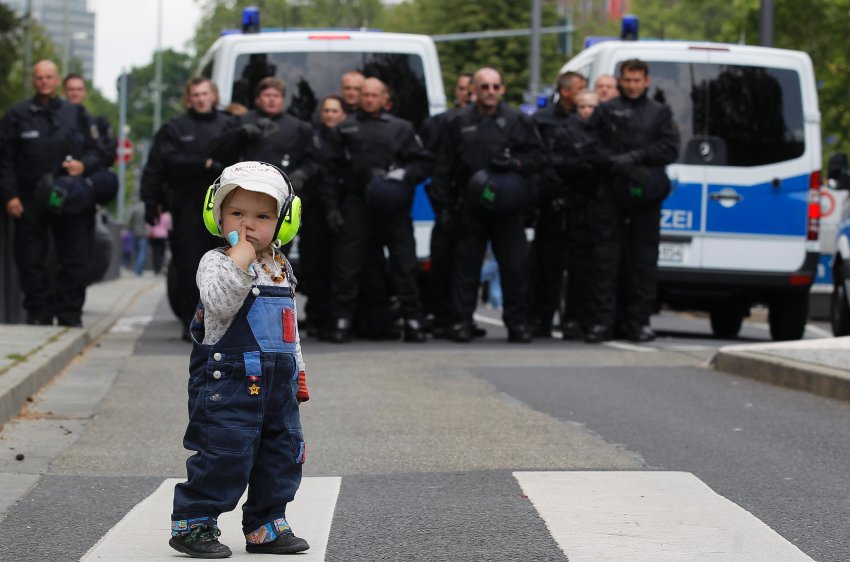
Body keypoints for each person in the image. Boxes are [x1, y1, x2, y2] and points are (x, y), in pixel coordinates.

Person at [170, 161, 310, 558]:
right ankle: (194, 521)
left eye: (262, 217)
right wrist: (241, 258)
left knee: (281, 454)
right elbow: (220, 303)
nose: (248, 225)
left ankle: (266, 522)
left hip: (277, 385)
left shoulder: (280, 266)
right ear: (217, 216)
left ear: (283, 223)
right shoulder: (216, 262)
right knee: (224, 454)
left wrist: (298, 370)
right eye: (237, 213)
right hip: (228, 385)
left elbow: (289, 325)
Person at [431, 67, 545, 343]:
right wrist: (444, 206)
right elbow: (443, 166)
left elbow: (538, 159)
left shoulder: (518, 120)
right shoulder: (457, 122)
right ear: (474, 90)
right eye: (484, 87)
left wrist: (516, 164)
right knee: (466, 267)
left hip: (508, 206)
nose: (490, 92)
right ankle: (462, 322)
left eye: (495, 86)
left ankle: (517, 323)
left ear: (502, 89)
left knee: (515, 266)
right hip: (470, 206)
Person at [320, 77, 431, 343]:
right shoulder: (344, 128)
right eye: (365, 94)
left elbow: (422, 163)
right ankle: (342, 321)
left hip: (393, 207)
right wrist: (331, 208)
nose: (369, 99)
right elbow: (329, 172)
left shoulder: (402, 128)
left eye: (375, 95)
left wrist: (402, 176)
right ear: (359, 97)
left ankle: (413, 319)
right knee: (347, 266)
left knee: (404, 264)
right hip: (357, 205)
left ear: (385, 99)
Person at [0, 60, 102, 326]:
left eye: (49, 77)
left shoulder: (75, 113)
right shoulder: (17, 115)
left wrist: (83, 166)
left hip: (68, 198)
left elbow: (97, 152)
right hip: (29, 199)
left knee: (74, 258)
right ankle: (38, 314)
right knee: (30, 259)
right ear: (33, 81)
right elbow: (5, 159)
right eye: (39, 77)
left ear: (57, 80)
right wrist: (10, 195)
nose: (44, 81)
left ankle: (69, 314)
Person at [585, 59, 679, 343]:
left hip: (644, 195)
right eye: (627, 80)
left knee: (642, 262)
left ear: (646, 82)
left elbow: (669, 148)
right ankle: (603, 322)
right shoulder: (606, 111)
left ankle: (638, 322)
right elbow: (590, 145)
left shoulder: (659, 112)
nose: (632, 85)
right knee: (605, 261)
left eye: (637, 80)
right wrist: (614, 163)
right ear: (620, 81)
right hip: (611, 192)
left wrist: (637, 159)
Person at [141, 77, 231, 340]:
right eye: (196, 94)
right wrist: (150, 201)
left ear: (214, 96)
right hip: (186, 207)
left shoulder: (229, 125)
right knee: (189, 264)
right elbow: (159, 165)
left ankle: (224, 320)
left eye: (205, 93)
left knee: (226, 263)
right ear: (189, 98)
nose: (201, 99)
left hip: (224, 207)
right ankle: (192, 320)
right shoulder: (174, 128)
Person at [528, 71, 587, 338]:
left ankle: (573, 319)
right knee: (546, 265)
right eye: (579, 88)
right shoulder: (542, 120)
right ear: (565, 92)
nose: (584, 93)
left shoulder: (588, 119)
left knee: (578, 267)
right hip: (549, 202)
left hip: (579, 202)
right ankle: (540, 318)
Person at [419, 73, 477, 339]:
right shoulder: (438, 123)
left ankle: (462, 317)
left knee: (466, 265)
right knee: (442, 261)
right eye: (463, 89)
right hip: (445, 200)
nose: (467, 94)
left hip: (471, 203)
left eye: (471, 89)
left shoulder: (483, 124)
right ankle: (439, 314)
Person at [299, 95, 347, 337]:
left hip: (342, 207)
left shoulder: (349, 136)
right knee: (313, 264)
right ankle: (317, 316)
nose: (329, 115)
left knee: (340, 266)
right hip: (314, 209)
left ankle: (336, 316)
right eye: (326, 111)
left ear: (343, 114)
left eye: (334, 111)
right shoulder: (313, 137)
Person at [559, 90, 602, 339]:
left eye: (591, 107)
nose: (587, 111)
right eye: (582, 107)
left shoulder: (606, 131)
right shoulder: (567, 132)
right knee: (577, 267)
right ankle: (573, 318)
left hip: (601, 208)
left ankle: (595, 318)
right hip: (576, 206)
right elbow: (559, 163)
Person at [62, 73, 117, 169]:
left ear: (85, 92)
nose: (75, 94)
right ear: (64, 92)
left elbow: (104, 153)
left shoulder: (94, 123)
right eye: (71, 89)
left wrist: (84, 165)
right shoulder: (55, 121)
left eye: (79, 89)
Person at [147, 206, 172, 274]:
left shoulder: (153, 215)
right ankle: (160, 267)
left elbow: (149, 226)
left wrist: (151, 230)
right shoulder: (166, 216)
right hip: (163, 236)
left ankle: (156, 268)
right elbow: (169, 227)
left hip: (155, 235)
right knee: (162, 253)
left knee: (155, 252)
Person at [127, 199, 148, 275]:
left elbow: (130, 219)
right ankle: (138, 270)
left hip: (135, 231)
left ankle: (137, 269)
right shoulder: (146, 208)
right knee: (142, 252)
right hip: (144, 232)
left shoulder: (135, 207)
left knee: (137, 251)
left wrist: (129, 228)